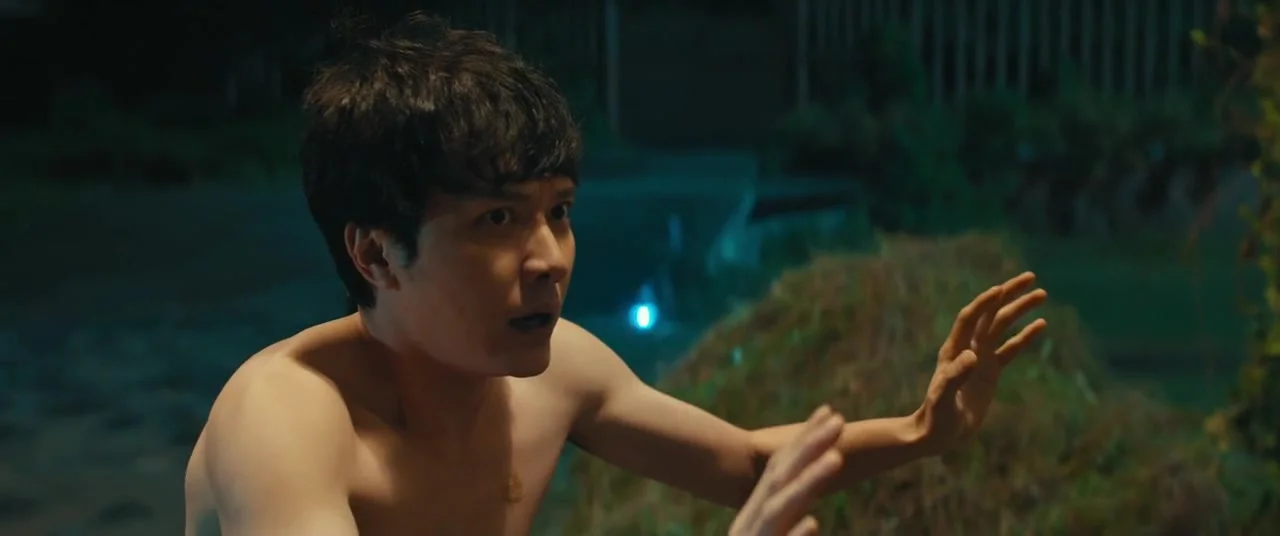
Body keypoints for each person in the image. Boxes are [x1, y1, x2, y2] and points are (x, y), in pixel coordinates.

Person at [182, 11, 1048, 536]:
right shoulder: (286, 420)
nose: (549, 259)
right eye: (495, 221)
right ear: (376, 254)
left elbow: (746, 462)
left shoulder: (558, 373)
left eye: (558, 211)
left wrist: (921, 432)